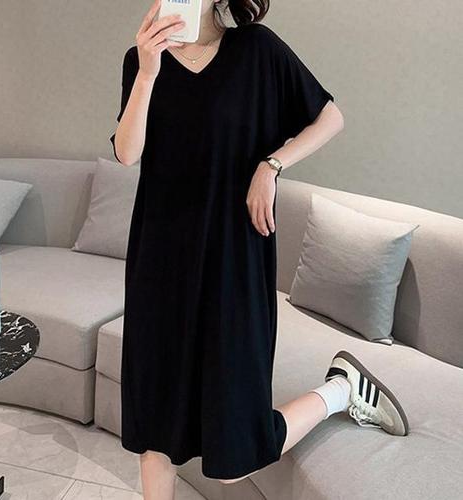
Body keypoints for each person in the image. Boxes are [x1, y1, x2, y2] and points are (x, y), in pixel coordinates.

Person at [109, 0, 409, 497]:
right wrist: (146, 72)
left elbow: (330, 118)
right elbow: (127, 153)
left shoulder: (256, 50)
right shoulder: (141, 59)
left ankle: (340, 390)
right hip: (160, 262)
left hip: (234, 259)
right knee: (154, 431)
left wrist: (271, 166)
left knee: (234, 460)